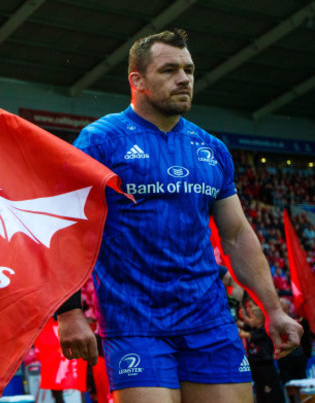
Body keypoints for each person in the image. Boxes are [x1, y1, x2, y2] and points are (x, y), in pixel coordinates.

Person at [56, 29, 302, 402]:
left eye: (188, 69)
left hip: (211, 322)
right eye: (169, 70)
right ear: (136, 80)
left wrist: (273, 309)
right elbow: (66, 229)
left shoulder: (212, 149)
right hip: (135, 323)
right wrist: (69, 312)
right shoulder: (100, 141)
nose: (184, 79)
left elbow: (236, 235)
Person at [242, 302, 284, 403]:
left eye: (251, 317)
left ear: (259, 319)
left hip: (266, 367)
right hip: (255, 366)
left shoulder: (264, 329)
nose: (249, 320)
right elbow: (244, 325)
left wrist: (237, 330)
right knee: (260, 394)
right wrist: (243, 315)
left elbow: (246, 334)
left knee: (271, 394)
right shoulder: (253, 328)